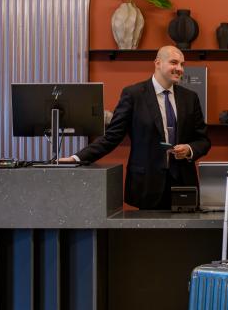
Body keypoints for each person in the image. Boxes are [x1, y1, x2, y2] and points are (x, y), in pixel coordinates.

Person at [60, 45, 210, 210]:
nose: (180, 68)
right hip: (147, 184)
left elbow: (203, 140)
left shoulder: (190, 98)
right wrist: (76, 158)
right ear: (157, 63)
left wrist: (189, 149)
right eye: (174, 62)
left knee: (186, 228)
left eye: (182, 64)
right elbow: (111, 137)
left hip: (184, 183)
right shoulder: (133, 95)